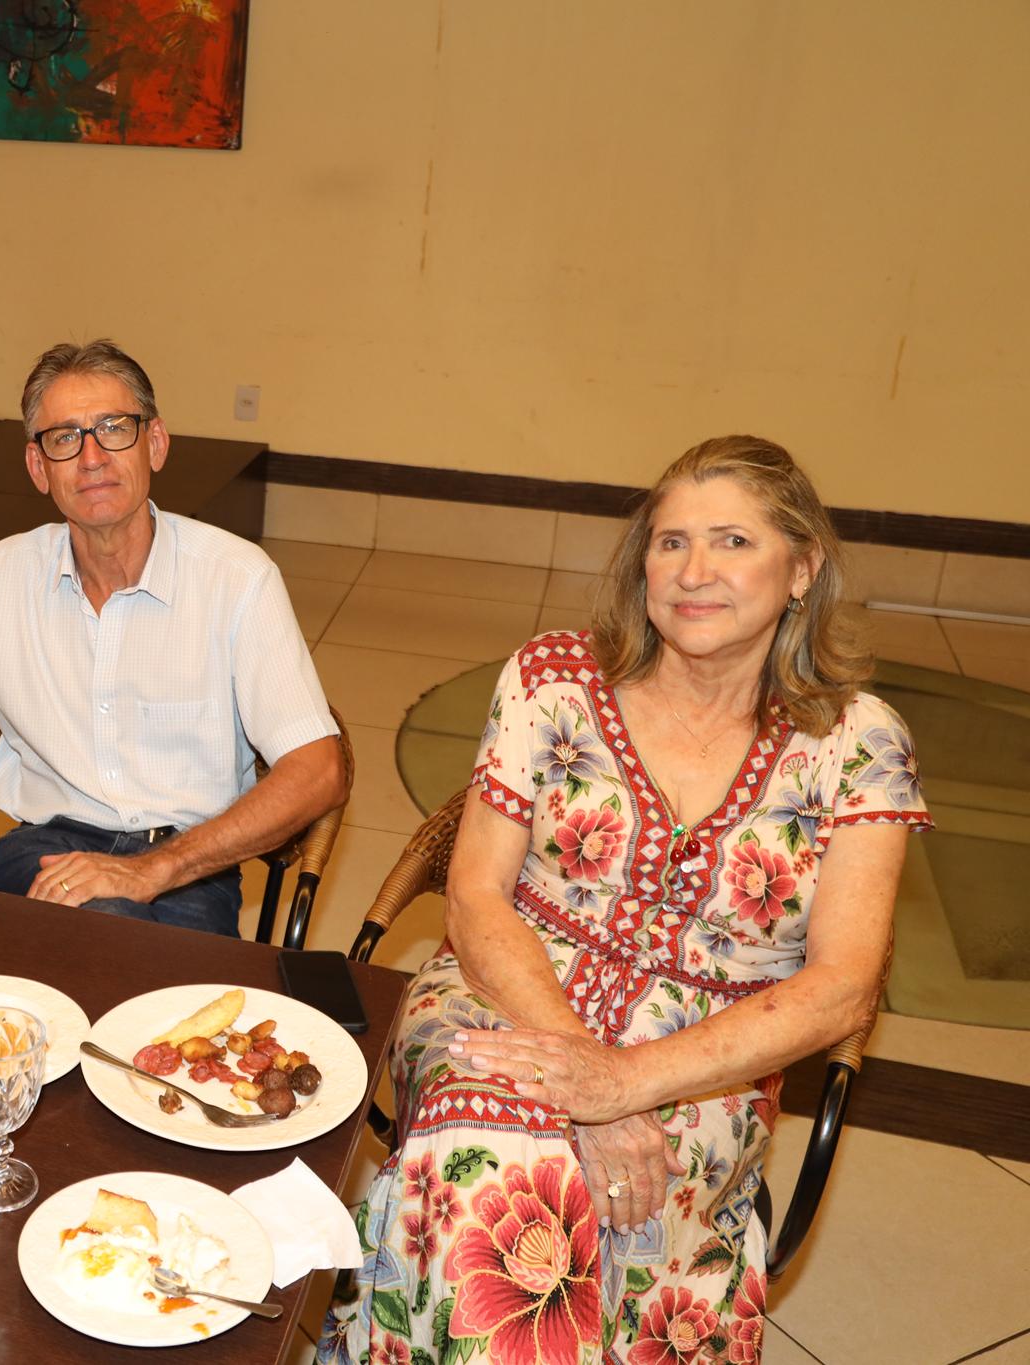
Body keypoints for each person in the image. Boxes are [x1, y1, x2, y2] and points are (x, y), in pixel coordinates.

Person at [322, 436, 929, 1365]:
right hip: (506, 993)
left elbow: (843, 986)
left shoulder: (860, 743)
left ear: (803, 568)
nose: (693, 570)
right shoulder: (551, 679)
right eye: (670, 541)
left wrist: (626, 1084)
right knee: (494, 1169)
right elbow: (476, 897)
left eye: (733, 541)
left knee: (564, 1193)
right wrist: (590, 1081)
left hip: (705, 1059)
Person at [0, 339, 345, 935]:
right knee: (98, 934)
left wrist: (153, 870)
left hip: (187, 867)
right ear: (38, 467)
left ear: (156, 444)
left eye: (114, 429)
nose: (91, 457)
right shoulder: (0, 577)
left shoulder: (237, 579)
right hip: (44, 850)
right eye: (65, 438)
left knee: (120, 942)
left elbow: (319, 770)